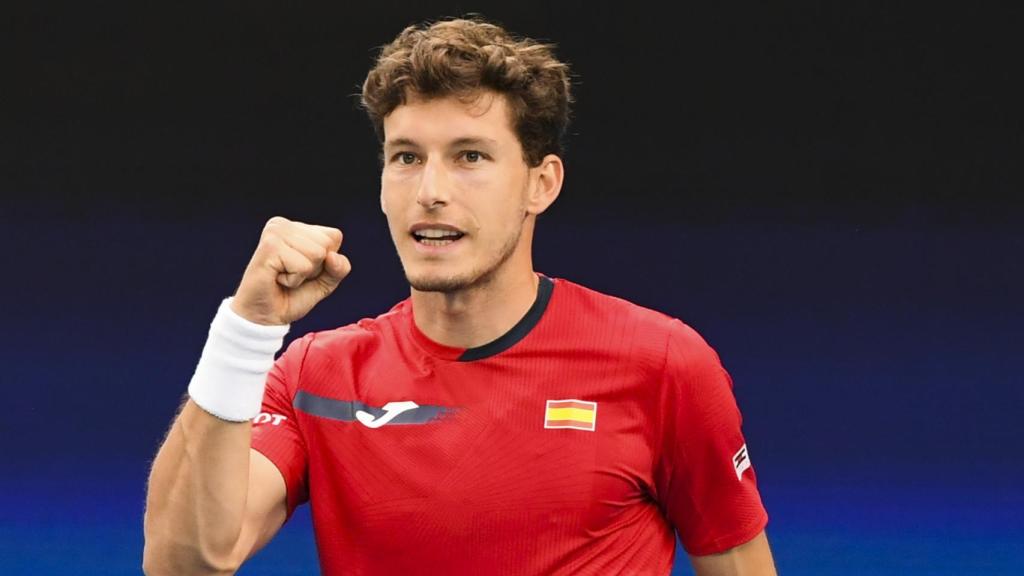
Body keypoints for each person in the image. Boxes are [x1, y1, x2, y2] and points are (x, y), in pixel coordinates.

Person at [143, 16, 776, 576]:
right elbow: (184, 562)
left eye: (469, 156)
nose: (431, 191)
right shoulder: (316, 374)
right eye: (407, 158)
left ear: (541, 184)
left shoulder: (662, 363)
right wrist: (245, 332)